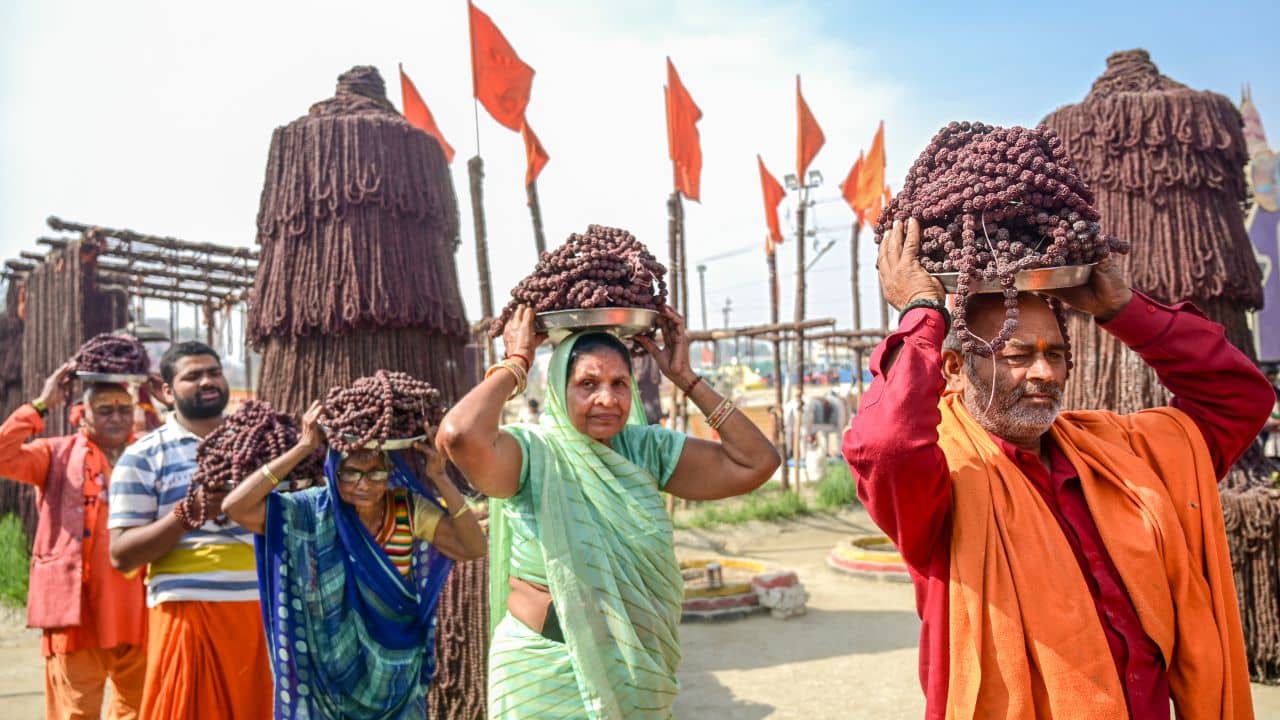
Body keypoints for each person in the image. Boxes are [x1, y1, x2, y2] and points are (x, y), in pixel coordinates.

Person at [843, 219, 1271, 719]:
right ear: (956, 369)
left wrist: (1124, 310)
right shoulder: (941, 480)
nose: (1044, 373)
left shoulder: (1121, 456)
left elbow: (1238, 400)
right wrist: (921, 312)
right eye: (1018, 355)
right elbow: (885, 445)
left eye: (1056, 355)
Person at [437, 305, 781, 718]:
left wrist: (686, 380)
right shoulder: (532, 453)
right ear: (558, 391)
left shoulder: (646, 450)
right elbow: (458, 435)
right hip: (543, 671)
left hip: (635, 668)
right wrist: (516, 363)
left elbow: (757, 462)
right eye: (587, 383)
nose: (608, 398)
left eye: (620, 383)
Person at [221, 400, 487, 719]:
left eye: (375, 472)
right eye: (351, 473)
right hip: (329, 680)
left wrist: (441, 478)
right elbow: (236, 507)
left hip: (396, 675)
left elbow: (473, 547)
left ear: (391, 471)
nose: (364, 484)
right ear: (334, 469)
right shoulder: (310, 511)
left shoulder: (407, 509)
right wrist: (303, 447)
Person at [107, 341, 272, 719]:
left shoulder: (261, 446)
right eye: (192, 376)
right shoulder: (143, 457)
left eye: (213, 372)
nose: (207, 381)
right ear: (166, 391)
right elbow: (121, 555)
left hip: (261, 609)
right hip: (187, 611)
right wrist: (188, 514)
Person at [0, 361, 146, 719]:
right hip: (76, 614)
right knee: (76, 713)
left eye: (124, 409)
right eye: (105, 409)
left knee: (142, 710)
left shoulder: (148, 453)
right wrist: (41, 404)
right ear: (82, 415)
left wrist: (170, 405)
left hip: (140, 612)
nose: (116, 417)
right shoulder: (55, 453)